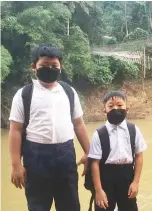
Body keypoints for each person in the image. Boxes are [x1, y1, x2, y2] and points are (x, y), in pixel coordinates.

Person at [8, 44, 90, 211]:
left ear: (61, 67)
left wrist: (89, 152)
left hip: (66, 155)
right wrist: (16, 165)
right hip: (36, 157)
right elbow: (15, 130)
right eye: (44, 66)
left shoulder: (69, 92)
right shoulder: (24, 94)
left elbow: (79, 124)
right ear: (34, 67)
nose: (50, 69)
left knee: (70, 205)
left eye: (54, 66)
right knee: (38, 206)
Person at [88, 91, 147, 211]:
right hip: (105, 178)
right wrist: (98, 190)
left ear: (127, 108)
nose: (115, 108)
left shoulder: (133, 130)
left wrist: (135, 182)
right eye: (111, 106)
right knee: (103, 207)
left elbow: (139, 156)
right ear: (104, 110)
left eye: (120, 105)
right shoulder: (99, 134)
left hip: (126, 177)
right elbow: (94, 163)